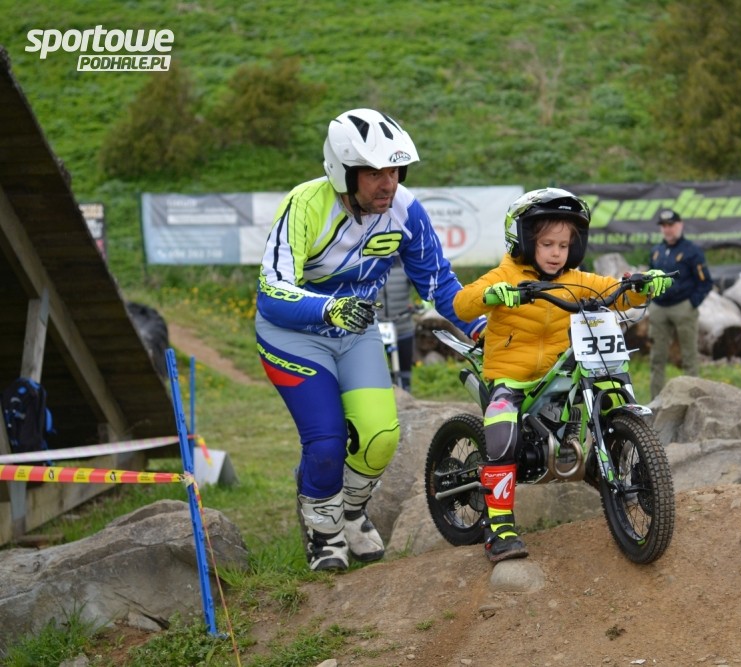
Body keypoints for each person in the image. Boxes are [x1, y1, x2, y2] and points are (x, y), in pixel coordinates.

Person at [255, 108, 486, 572]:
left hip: (354, 331)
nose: (389, 184)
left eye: (395, 171)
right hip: (293, 335)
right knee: (327, 441)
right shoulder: (305, 204)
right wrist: (328, 308)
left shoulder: (405, 209)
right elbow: (272, 292)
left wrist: (482, 327)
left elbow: (439, 283)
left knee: (381, 437)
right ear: (343, 171)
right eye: (375, 172)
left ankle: (350, 512)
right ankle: (323, 531)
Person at [453, 188, 672, 563]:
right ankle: (499, 527)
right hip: (512, 376)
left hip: (560, 374)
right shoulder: (505, 275)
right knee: (503, 425)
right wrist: (494, 295)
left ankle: (606, 463)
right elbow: (462, 302)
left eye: (564, 245)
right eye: (547, 244)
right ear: (524, 240)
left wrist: (642, 285)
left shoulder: (576, 279)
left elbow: (616, 292)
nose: (557, 253)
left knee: (601, 388)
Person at [647, 208, 713, 398]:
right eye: (664, 226)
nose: (667, 229)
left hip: (682, 307)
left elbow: (705, 282)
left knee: (689, 358)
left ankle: (691, 400)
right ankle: (655, 402)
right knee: (656, 358)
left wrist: (692, 303)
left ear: (680, 225)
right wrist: (650, 299)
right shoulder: (656, 251)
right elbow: (650, 277)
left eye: (671, 225)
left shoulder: (692, 251)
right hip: (658, 308)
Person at [377, 256, 417, 392]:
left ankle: (406, 392)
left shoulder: (405, 264)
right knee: (377, 369)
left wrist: (417, 306)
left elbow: (422, 285)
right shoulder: (368, 267)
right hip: (376, 328)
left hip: (403, 326)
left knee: (405, 370)